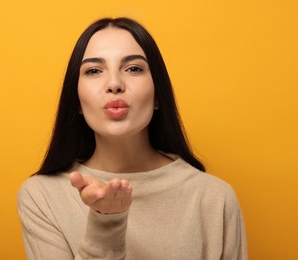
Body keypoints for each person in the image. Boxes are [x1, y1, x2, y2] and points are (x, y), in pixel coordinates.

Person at [17, 17, 247, 259]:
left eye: (134, 69)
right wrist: (106, 223)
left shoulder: (214, 199)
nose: (115, 84)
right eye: (94, 71)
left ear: (158, 94)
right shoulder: (42, 196)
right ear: (76, 102)